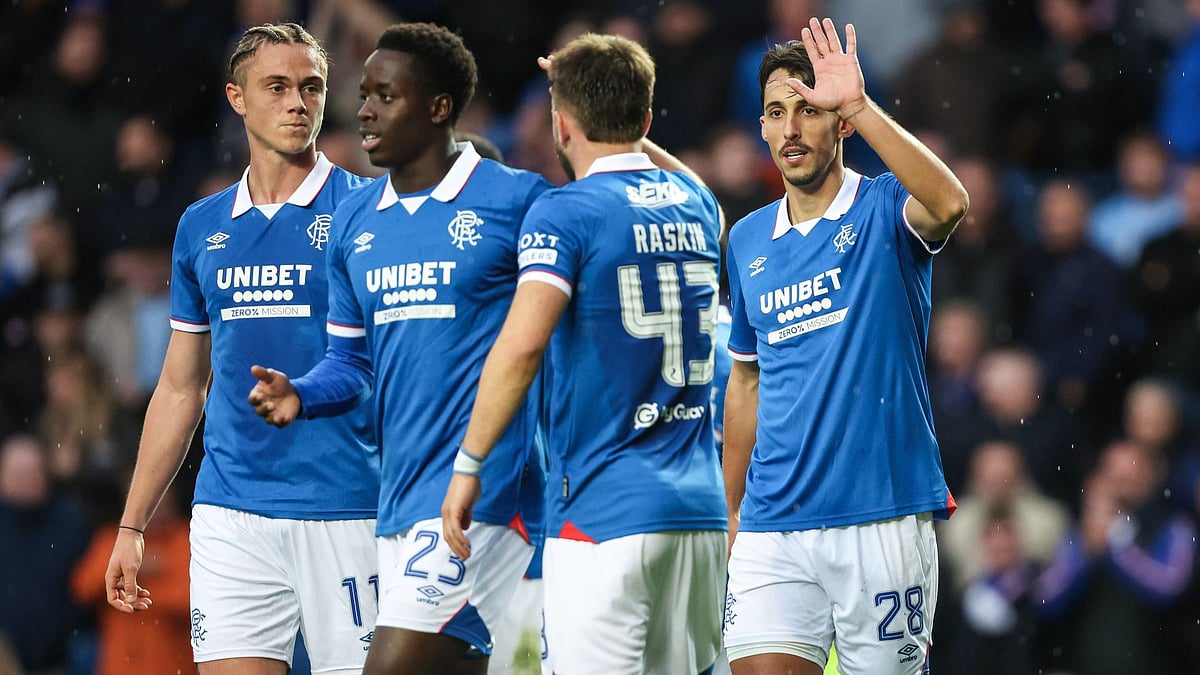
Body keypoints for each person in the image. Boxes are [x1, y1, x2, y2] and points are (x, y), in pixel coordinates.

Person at [246, 23, 553, 674]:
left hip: (483, 498)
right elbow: (351, 365)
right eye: (363, 94)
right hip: (400, 502)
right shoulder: (355, 223)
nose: (363, 110)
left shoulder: (517, 200)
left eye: (386, 95)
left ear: (439, 108)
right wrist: (302, 393)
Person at [442, 33, 728, 674]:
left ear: (559, 124)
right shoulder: (700, 209)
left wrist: (469, 463)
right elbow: (682, 180)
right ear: (647, 121)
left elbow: (520, 349)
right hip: (699, 517)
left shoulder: (564, 213)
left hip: (601, 516)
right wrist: (614, 113)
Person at [103, 23, 381, 675]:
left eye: (310, 87)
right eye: (277, 87)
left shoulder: (368, 212)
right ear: (236, 98)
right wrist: (133, 523)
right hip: (232, 511)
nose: (297, 103)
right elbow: (180, 385)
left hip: (348, 505)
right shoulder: (200, 226)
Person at [721, 18, 967, 675]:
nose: (791, 127)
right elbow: (745, 381)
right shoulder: (746, 239)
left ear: (841, 126)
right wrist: (730, 506)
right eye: (777, 111)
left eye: (810, 109)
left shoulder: (886, 209)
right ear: (763, 128)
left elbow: (950, 201)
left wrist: (858, 100)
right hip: (773, 521)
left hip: (880, 515)